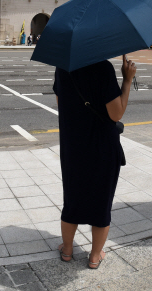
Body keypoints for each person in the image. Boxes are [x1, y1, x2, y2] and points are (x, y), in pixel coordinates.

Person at [53, 55, 136, 269]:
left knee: (72, 197)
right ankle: (95, 255)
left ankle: (68, 249)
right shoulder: (103, 68)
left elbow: (61, 105)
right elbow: (116, 114)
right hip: (102, 145)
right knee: (101, 200)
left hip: (73, 145)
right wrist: (126, 80)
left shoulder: (63, 66)